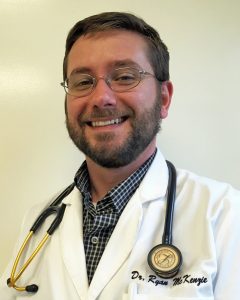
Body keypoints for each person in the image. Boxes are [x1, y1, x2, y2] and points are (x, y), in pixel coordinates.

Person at [1, 11, 240, 300]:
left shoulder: (224, 215)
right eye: (83, 81)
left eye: (125, 76)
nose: (101, 97)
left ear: (164, 98)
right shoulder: (37, 221)